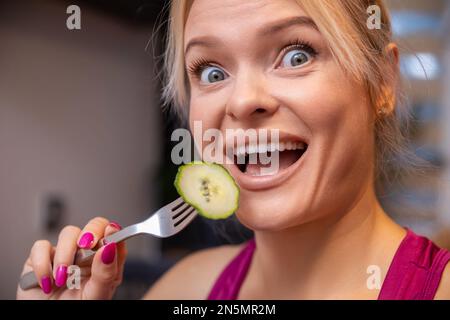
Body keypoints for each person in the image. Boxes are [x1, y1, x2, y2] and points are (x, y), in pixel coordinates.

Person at [17, 0, 450, 300]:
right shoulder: (183, 289)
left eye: (296, 55)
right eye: (211, 71)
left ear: (383, 85)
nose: (242, 102)